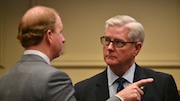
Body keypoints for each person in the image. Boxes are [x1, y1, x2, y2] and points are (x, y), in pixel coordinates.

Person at [74, 15, 180, 101]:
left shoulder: (162, 85)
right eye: (107, 40)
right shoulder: (82, 90)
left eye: (119, 42)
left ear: (137, 48)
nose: (109, 48)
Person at [0, 6, 76, 101]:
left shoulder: (3, 80)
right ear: (49, 35)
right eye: (60, 32)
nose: (63, 39)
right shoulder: (55, 79)